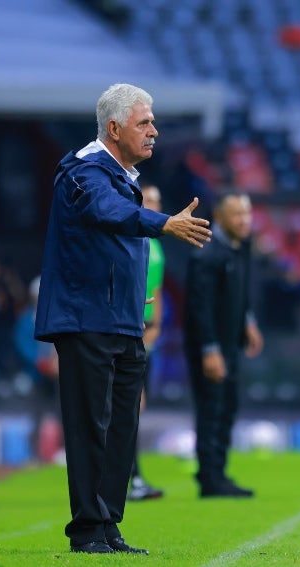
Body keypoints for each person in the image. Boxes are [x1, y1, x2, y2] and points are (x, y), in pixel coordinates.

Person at [34, 83, 212, 555]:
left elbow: (106, 246)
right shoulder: (84, 171)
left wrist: (131, 294)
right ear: (114, 129)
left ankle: (109, 525)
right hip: (86, 321)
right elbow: (107, 212)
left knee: (121, 428)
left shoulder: (121, 175)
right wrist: (163, 222)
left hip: (122, 319)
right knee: (90, 427)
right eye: (144, 123)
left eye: (153, 122)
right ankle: (86, 531)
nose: (154, 131)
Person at [184, 191, 264, 498]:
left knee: (227, 406)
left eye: (247, 213)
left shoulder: (238, 249)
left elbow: (238, 293)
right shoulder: (207, 254)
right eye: (237, 214)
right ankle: (209, 478)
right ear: (219, 217)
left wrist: (248, 321)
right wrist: (209, 349)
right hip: (211, 347)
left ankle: (218, 472)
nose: (244, 220)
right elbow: (199, 306)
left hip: (230, 343)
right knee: (211, 408)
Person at [128, 184, 166, 501]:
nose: (154, 205)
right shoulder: (131, 238)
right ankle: (132, 478)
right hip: (128, 329)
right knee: (128, 405)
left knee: (135, 407)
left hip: (146, 333)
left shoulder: (155, 245)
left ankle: (134, 477)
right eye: (148, 200)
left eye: (157, 201)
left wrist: (157, 327)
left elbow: (157, 290)